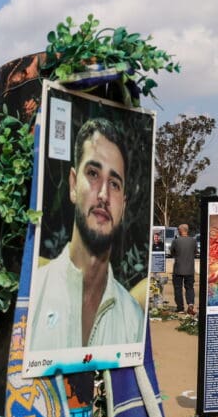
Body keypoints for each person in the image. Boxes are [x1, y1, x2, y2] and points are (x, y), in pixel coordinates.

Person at [28, 118, 144, 350]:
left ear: (123, 204)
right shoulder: (34, 294)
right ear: (72, 185)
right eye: (93, 174)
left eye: (114, 184)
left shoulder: (133, 319)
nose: (103, 194)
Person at [170, 223, 197, 314]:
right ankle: (190, 304)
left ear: (181, 230)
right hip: (189, 269)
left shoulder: (176, 241)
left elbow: (172, 252)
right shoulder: (193, 241)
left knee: (178, 288)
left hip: (178, 269)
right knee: (189, 287)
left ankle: (180, 308)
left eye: (178, 229)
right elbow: (195, 252)